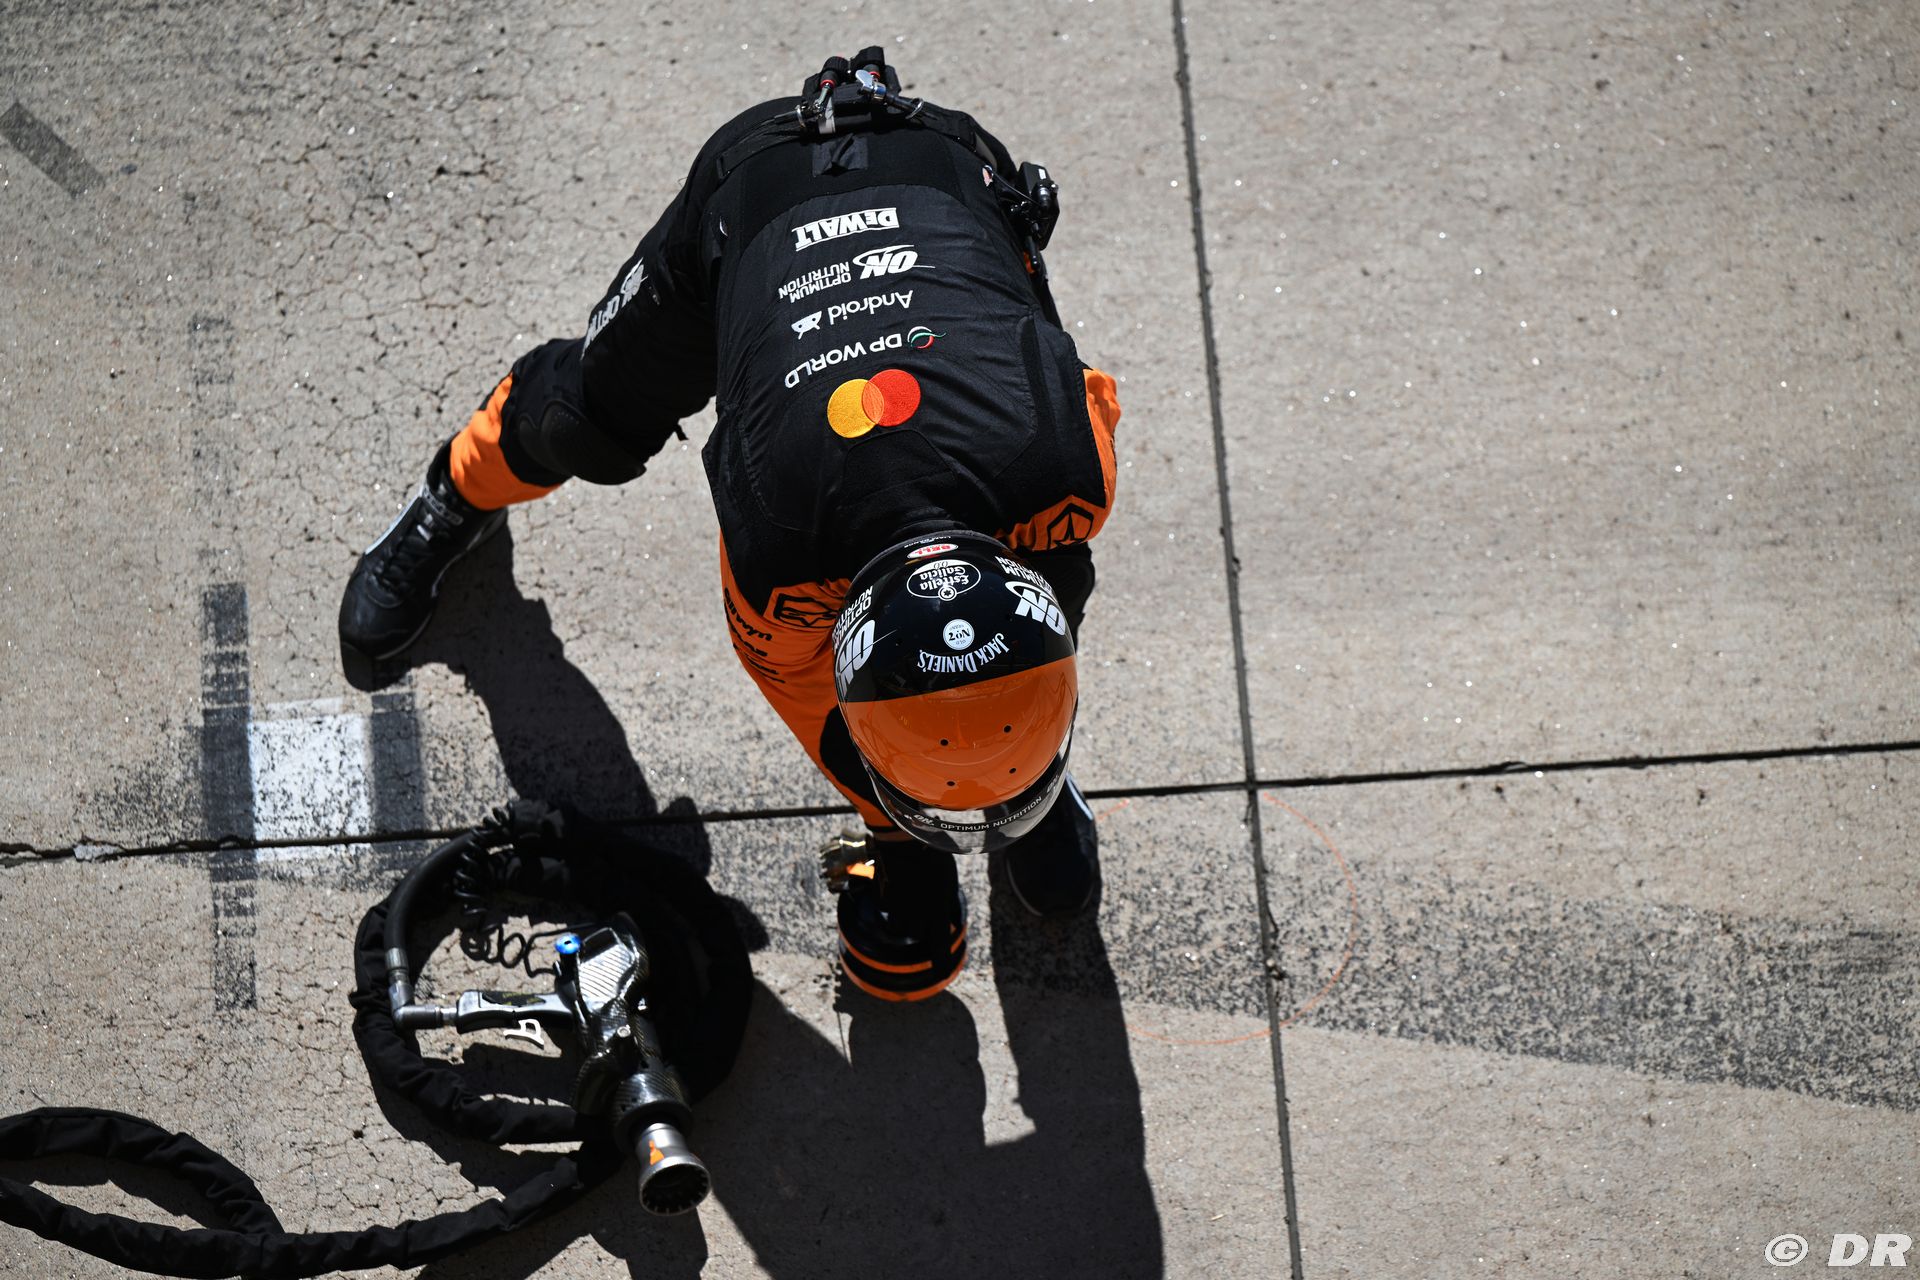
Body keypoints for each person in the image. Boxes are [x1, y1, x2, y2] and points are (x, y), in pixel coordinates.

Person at [338, 51, 1121, 1001]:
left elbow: (1033, 605)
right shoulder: (777, 544)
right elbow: (813, 693)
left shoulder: (1067, 469)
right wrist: (899, 824)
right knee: (580, 419)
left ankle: (1026, 789)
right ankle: (455, 490)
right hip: (755, 195)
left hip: (945, 175)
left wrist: (989, 767)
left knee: (1052, 569)